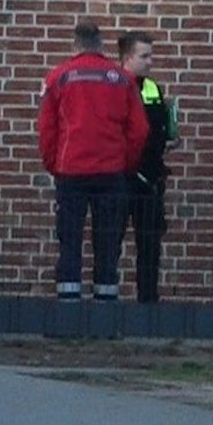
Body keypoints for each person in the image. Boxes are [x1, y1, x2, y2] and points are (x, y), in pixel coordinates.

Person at [37, 22, 148, 301]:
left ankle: (68, 306)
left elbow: (46, 128)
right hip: (111, 172)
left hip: (71, 170)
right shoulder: (122, 79)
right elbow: (140, 130)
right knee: (108, 242)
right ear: (101, 45)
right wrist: (126, 163)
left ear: (76, 45)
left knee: (70, 240)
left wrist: (54, 164)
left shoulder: (58, 77)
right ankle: (106, 307)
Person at [118, 30, 178, 303]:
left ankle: (148, 302)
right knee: (110, 241)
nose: (150, 62)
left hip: (150, 179)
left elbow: (162, 128)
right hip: (121, 177)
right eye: (144, 56)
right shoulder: (115, 86)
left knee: (150, 246)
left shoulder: (152, 88)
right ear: (127, 58)